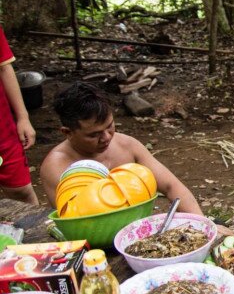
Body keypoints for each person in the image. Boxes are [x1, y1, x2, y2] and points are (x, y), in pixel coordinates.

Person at [40, 82, 203, 215]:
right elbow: (76, 221)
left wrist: (203, 224)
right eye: (93, 135)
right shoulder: (56, 166)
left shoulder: (126, 145)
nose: (107, 137)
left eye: (110, 126)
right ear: (67, 132)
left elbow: (171, 186)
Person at [0, 26, 38, 205]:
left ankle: (38, 231)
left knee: (21, 190)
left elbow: (4, 68)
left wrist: (23, 117)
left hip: (3, 128)